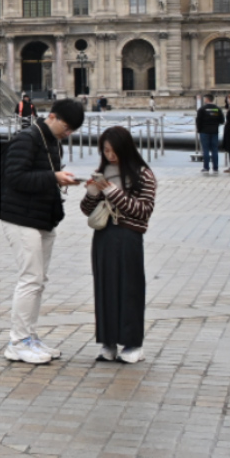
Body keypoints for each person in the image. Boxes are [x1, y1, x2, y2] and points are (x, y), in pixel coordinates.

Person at [0, 97, 86, 365]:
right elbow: (14, 177)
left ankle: (29, 336)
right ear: (53, 117)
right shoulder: (27, 138)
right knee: (30, 278)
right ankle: (17, 342)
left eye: (72, 131)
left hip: (42, 217)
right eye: (67, 127)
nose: (68, 133)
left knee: (38, 280)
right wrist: (53, 177)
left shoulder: (52, 141)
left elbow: (42, 176)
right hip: (20, 217)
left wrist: (61, 179)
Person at [81, 124, 156, 365]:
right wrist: (92, 193)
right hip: (104, 235)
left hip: (129, 236)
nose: (110, 156)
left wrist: (114, 193)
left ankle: (133, 344)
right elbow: (87, 210)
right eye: (106, 151)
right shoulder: (102, 171)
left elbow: (143, 210)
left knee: (129, 288)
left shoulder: (143, 174)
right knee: (105, 288)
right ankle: (108, 342)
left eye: (114, 151)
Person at [194, 94, 223, 174]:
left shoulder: (202, 109)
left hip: (204, 131)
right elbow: (222, 120)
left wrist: (199, 129)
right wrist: (215, 125)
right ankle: (215, 168)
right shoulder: (217, 109)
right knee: (215, 150)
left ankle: (206, 167)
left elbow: (198, 121)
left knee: (205, 150)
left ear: (207, 99)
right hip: (214, 131)